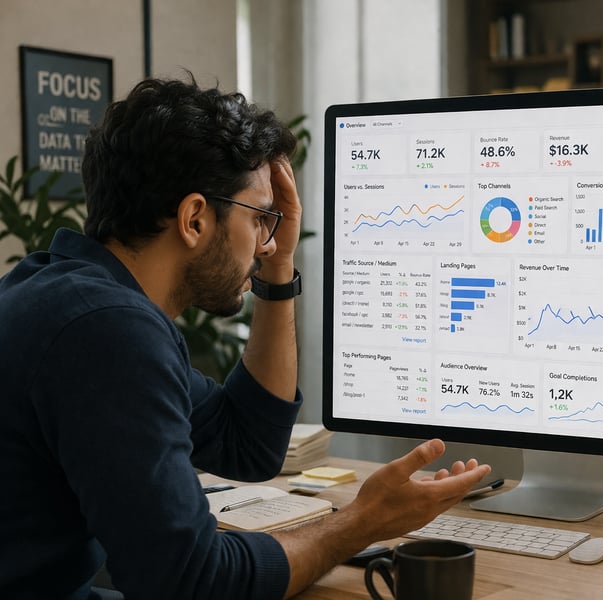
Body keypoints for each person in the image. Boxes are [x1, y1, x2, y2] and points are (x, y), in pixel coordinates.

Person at [0, 74, 490, 600]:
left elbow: (249, 446)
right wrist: (359, 523)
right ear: (194, 219)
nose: (265, 242)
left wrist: (279, 266)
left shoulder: (67, 293)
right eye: (259, 218)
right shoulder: (105, 330)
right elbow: (193, 582)